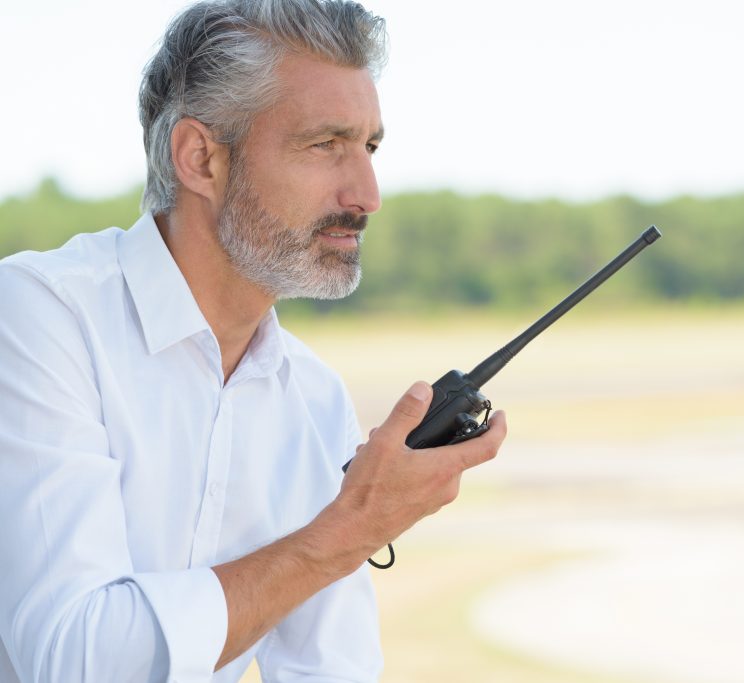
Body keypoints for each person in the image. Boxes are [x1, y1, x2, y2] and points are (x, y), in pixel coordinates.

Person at [0, 1, 507, 681]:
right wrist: (347, 530)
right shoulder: (37, 316)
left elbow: (332, 670)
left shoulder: (314, 399)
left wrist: (340, 535)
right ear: (201, 158)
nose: (367, 193)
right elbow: (72, 660)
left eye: (370, 146)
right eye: (327, 143)